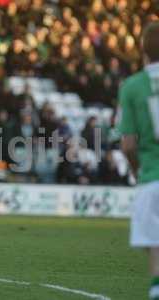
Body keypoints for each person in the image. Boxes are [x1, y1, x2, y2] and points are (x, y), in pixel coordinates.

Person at [118, 22, 159, 300]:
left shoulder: (132, 86)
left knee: (155, 248)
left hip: (151, 178)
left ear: (143, 50)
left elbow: (128, 144)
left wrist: (136, 171)